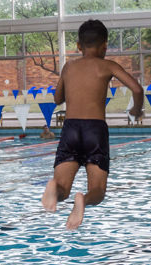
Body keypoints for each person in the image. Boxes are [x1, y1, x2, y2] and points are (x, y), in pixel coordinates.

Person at [42, 19, 144, 230]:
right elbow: (137, 89)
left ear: (79, 45)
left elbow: (57, 99)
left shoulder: (69, 67)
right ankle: (84, 200)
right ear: (104, 45)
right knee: (97, 191)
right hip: (95, 131)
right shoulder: (108, 65)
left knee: (63, 190)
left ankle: (54, 188)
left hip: (70, 128)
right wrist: (136, 110)